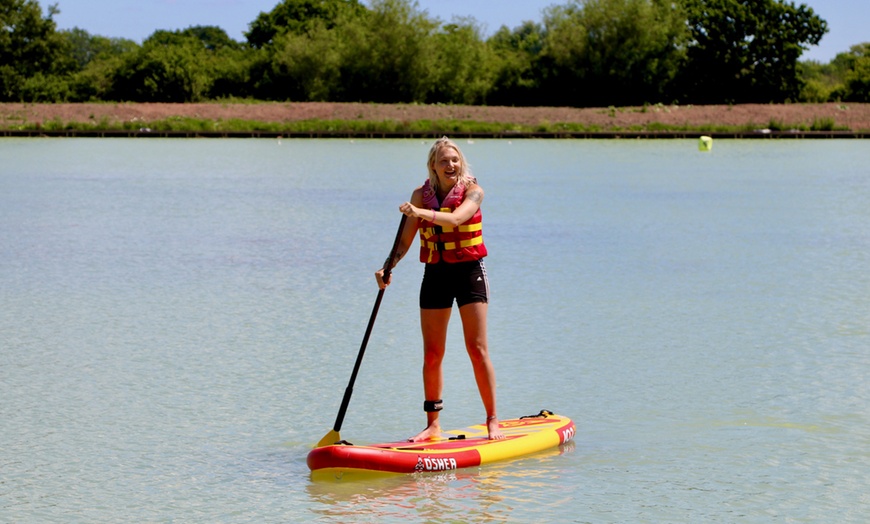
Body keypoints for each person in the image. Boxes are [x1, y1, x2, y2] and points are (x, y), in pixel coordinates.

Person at [376, 136, 505, 442]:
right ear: (432, 166)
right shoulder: (421, 195)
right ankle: (433, 424)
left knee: (477, 349)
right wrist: (387, 266)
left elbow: (457, 219)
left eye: (455, 160)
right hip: (436, 273)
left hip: (469, 271)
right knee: (432, 354)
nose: (451, 165)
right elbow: (404, 242)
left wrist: (419, 213)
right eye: (444, 161)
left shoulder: (474, 191)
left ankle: (492, 419)